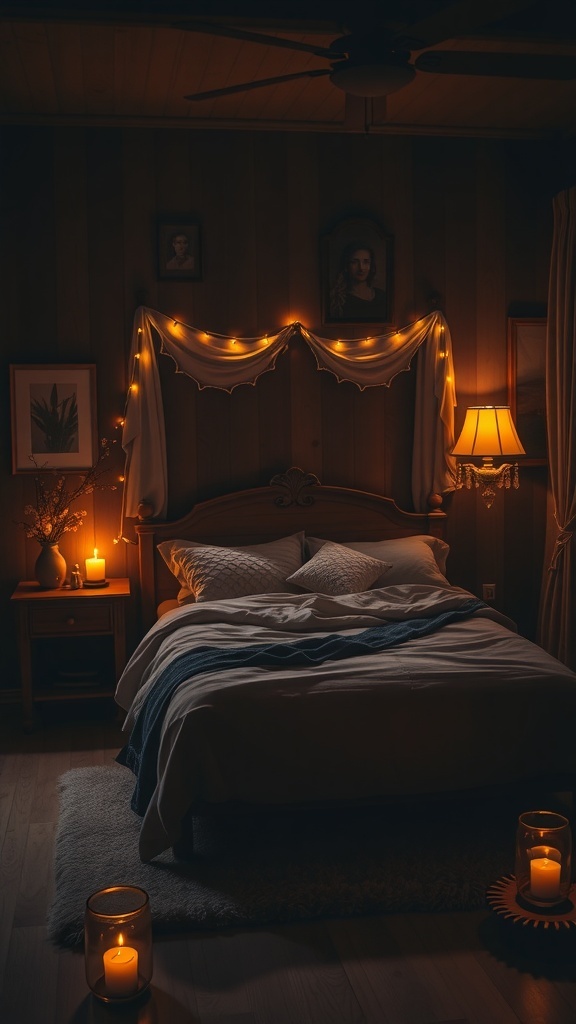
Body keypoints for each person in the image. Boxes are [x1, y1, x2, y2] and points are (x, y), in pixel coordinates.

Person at [329, 241, 387, 321]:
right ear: (346, 266)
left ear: (371, 265)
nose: (361, 268)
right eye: (354, 262)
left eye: (366, 262)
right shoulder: (339, 301)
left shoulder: (382, 296)